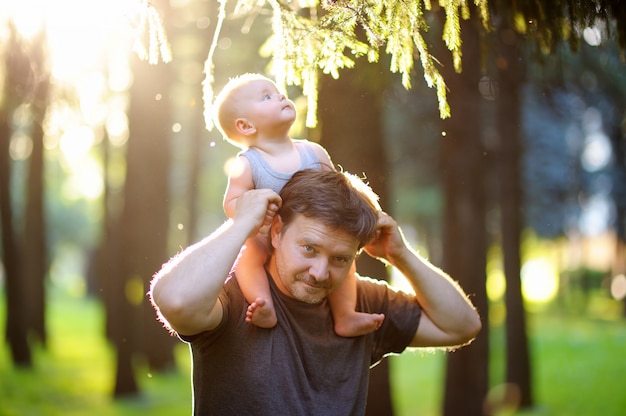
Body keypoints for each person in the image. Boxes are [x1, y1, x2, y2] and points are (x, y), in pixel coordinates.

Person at [149, 169, 481, 415]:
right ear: (277, 232)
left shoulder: (359, 305)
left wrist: (401, 255)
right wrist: (242, 224)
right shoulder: (237, 298)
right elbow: (176, 300)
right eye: (309, 248)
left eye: (340, 258)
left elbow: (461, 325)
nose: (321, 273)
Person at [212, 73, 383, 337]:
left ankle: (345, 315)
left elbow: (339, 191)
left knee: (343, 263)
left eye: (278, 92)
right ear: (245, 126)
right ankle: (264, 304)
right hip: (265, 234)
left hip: (313, 238)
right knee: (247, 257)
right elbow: (232, 203)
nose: (280, 96)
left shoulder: (313, 152)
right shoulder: (247, 163)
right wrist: (256, 209)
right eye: (267, 97)